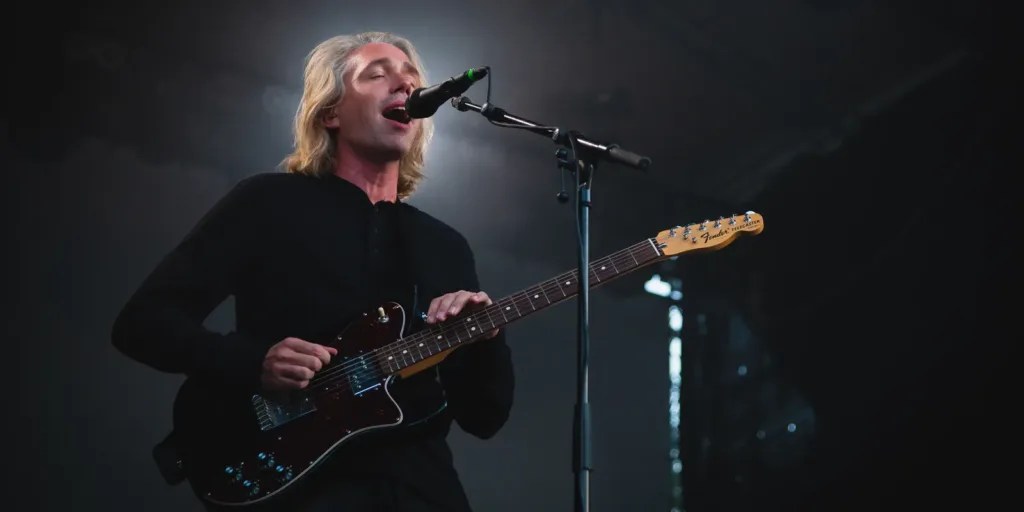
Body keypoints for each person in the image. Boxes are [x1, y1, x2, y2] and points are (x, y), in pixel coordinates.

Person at [111, 31, 515, 512]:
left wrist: (485, 338)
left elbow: (484, 417)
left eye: (411, 77)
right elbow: (143, 323)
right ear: (330, 112)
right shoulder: (267, 202)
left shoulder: (445, 245)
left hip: (421, 489)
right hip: (302, 489)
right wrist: (252, 362)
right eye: (377, 74)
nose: (405, 85)